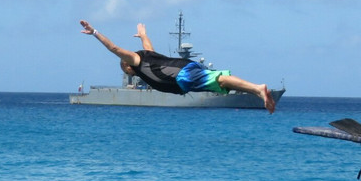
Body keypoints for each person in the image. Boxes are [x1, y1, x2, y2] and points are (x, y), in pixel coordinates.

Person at [79, 20, 277, 113]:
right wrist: (142, 34)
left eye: (126, 70)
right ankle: (256, 91)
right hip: (186, 69)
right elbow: (147, 44)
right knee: (221, 82)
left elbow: (113, 48)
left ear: (128, 67)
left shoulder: (136, 62)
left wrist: (95, 32)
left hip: (181, 77)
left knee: (219, 79)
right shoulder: (149, 54)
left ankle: (258, 89)